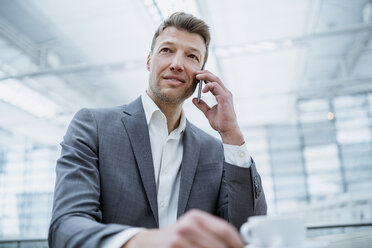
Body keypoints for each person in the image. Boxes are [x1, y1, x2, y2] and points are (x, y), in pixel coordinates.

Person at [48, 12, 267, 248]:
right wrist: (144, 242)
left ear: (201, 76)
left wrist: (232, 135)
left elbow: (246, 231)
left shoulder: (214, 151)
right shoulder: (94, 126)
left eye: (191, 56)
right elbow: (66, 227)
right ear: (149, 60)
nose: (177, 63)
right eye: (166, 50)